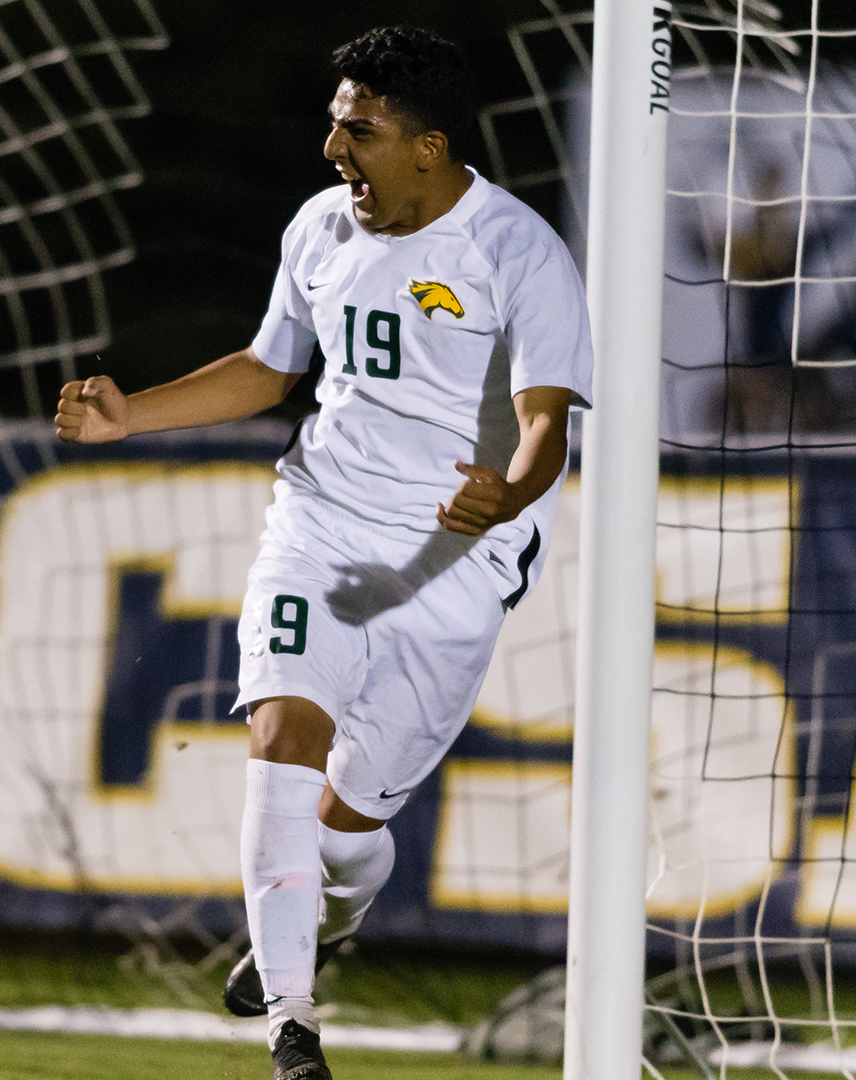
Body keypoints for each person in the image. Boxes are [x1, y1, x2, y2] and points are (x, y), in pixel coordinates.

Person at [55, 25, 592, 1080]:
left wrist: (508, 493)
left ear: (429, 147)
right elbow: (270, 368)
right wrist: (135, 418)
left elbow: (545, 427)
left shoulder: (516, 249)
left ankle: (319, 920)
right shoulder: (320, 229)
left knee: (346, 833)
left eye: (361, 130)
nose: (334, 148)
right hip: (321, 520)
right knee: (282, 739)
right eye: (335, 123)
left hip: (453, 560)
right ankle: (292, 1025)